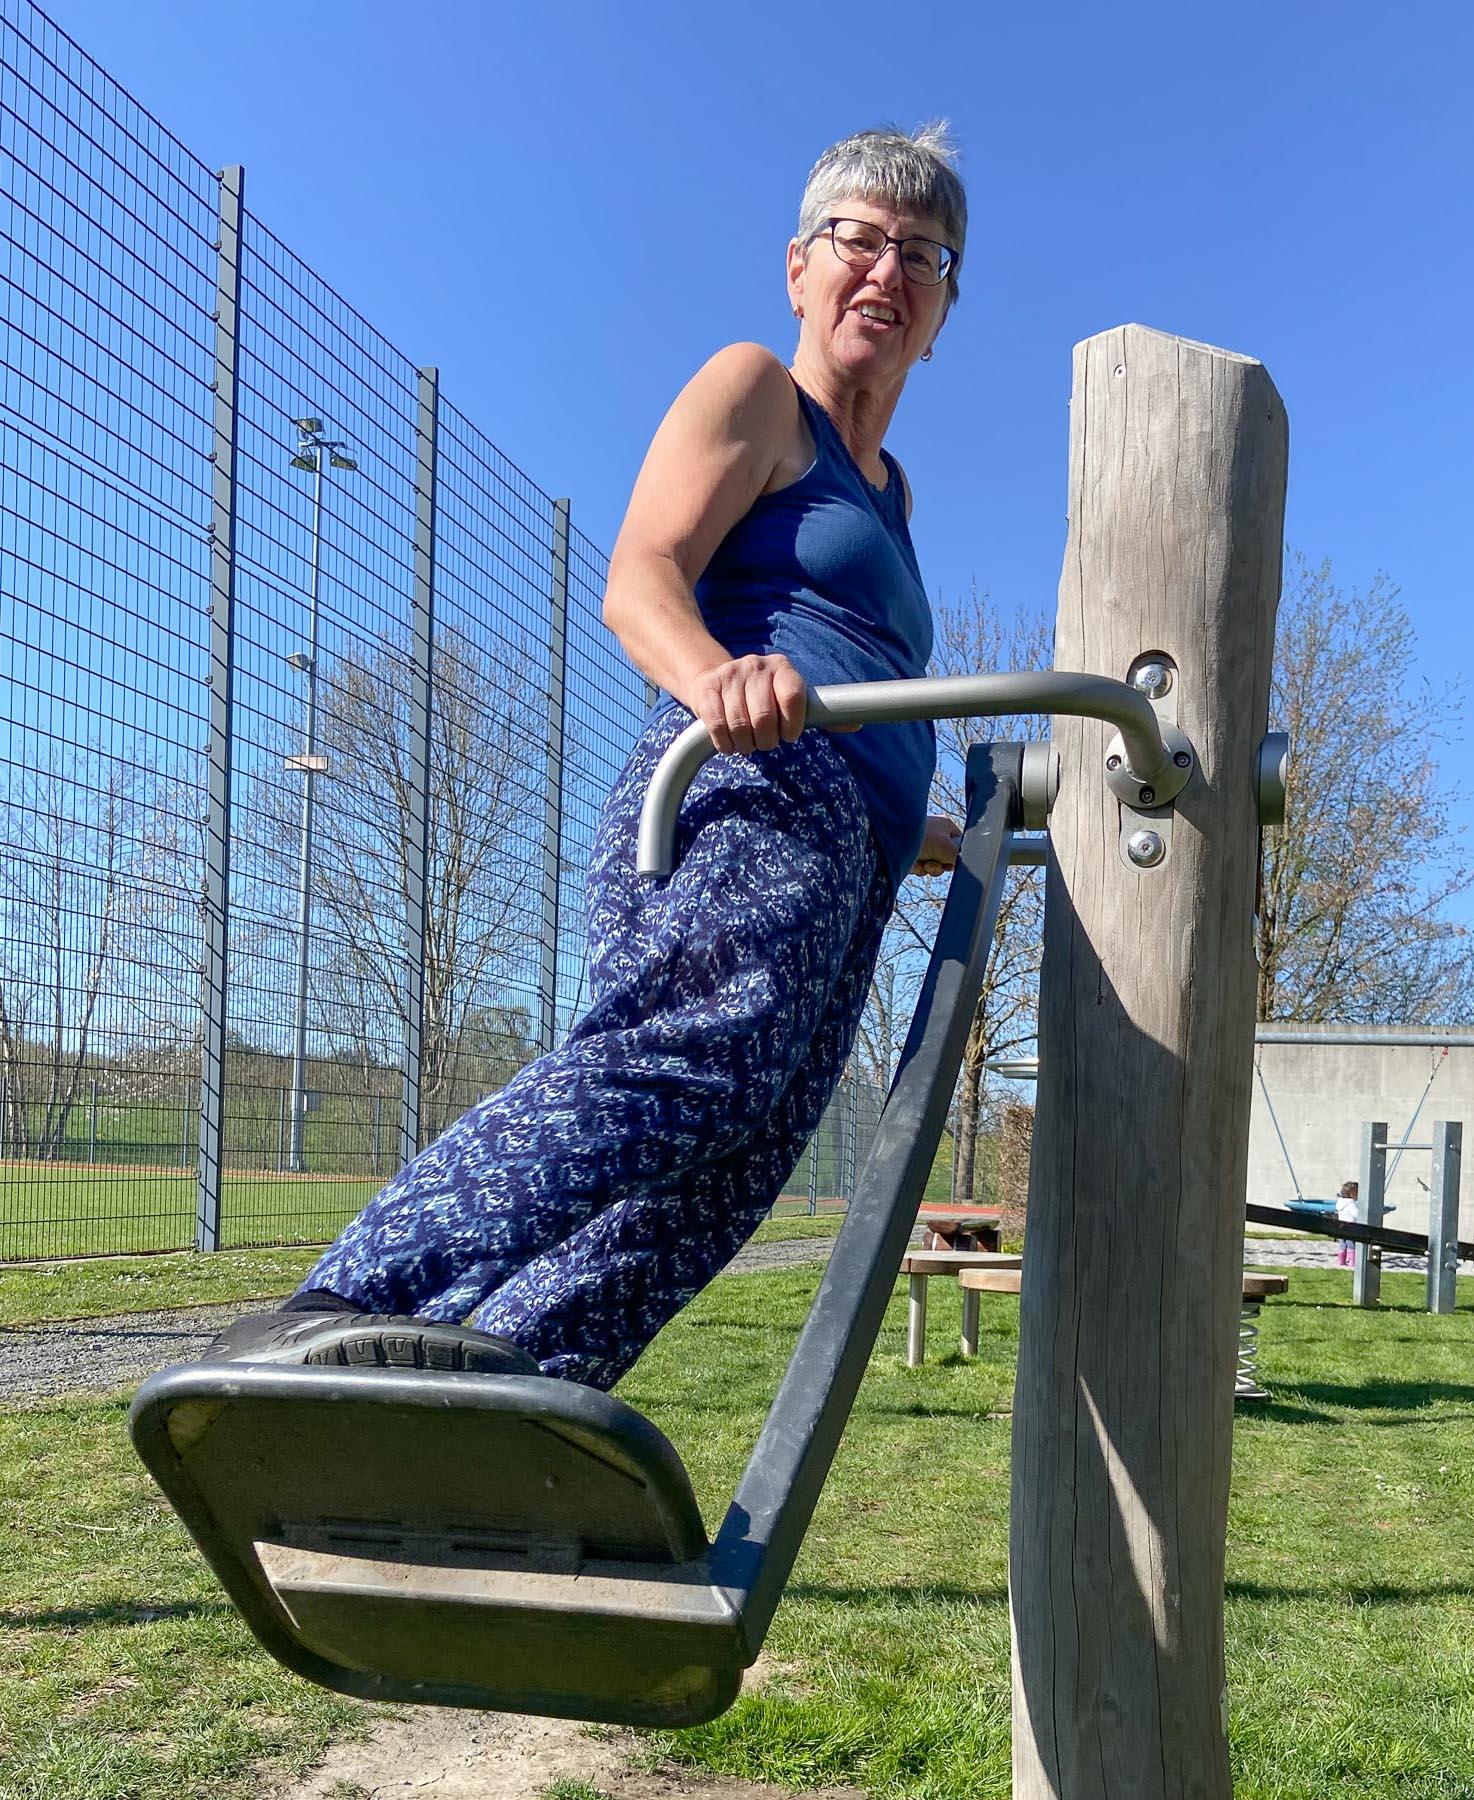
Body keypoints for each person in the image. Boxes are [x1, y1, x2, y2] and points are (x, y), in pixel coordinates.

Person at [210, 125, 969, 1388]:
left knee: (741, 1152)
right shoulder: (756, 394)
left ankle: (504, 1382)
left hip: (852, 852)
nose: (888, 271)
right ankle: (341, 1298)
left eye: (924, 254)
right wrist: (712, 675)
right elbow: (642, 579)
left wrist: (917, 824)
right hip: (748, 788)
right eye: (860, 240)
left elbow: (862, 675)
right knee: (695, 1052)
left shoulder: (894, 494)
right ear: (799, 268)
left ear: (943, 309)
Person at [1335, 1180, 1360, 1269]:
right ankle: (1351, 1261)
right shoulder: (1350, 1204)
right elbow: (1356, 1214)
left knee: (1342, 1243)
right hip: (1350, 1226)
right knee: (1351, 1243)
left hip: (1341, 1226)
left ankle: (1341, 1260)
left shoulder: (1340, 1203)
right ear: (1353, 1194)